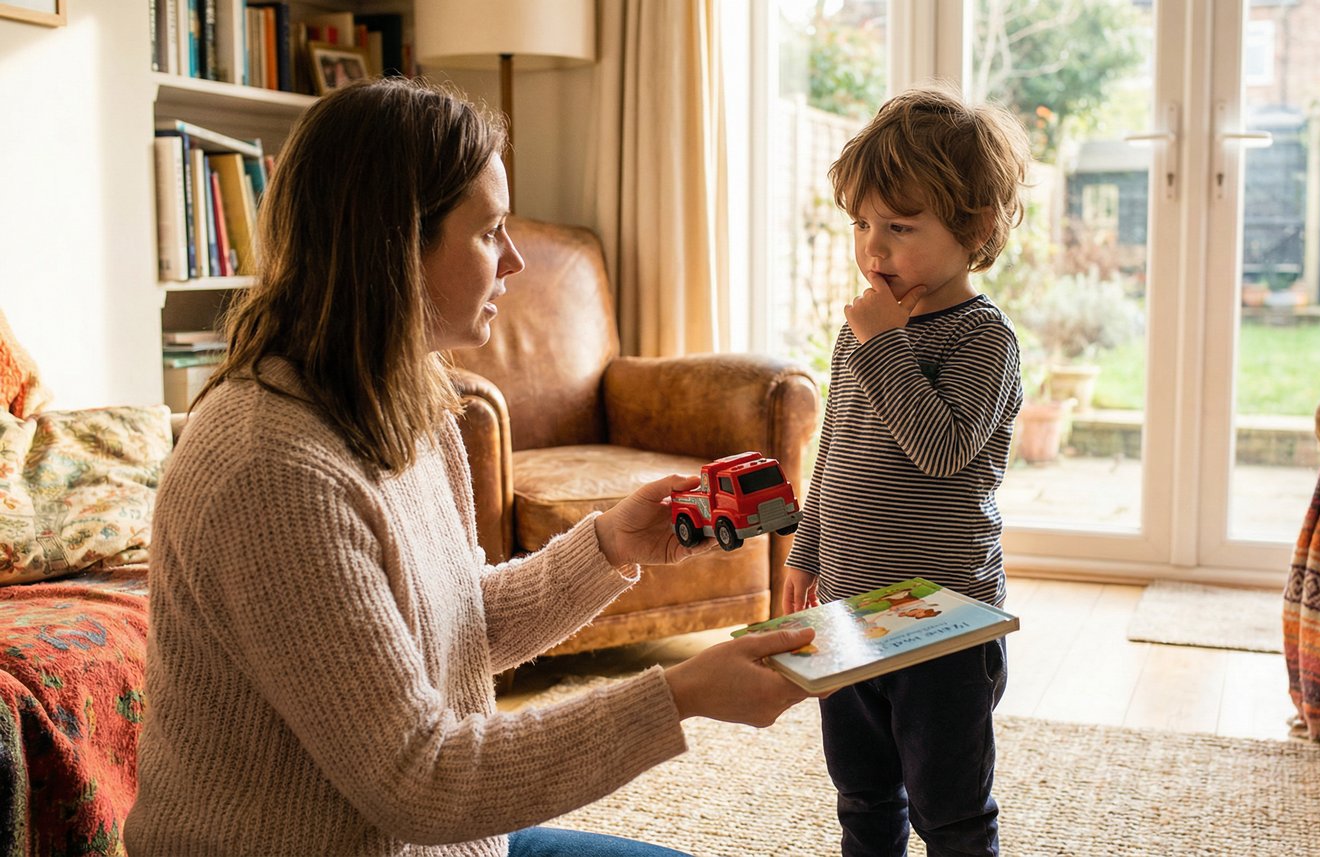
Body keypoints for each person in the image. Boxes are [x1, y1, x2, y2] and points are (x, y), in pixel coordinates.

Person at [125, 77, 815, 857]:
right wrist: (680, 692)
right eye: (490, 231)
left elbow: (457, 626)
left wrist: (610, 545)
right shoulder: (273, 470)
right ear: (392, 245)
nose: (516, 260)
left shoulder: (406, 401)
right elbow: (422, 781)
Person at [782, 85, 1032, 857]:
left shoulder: (983, 340)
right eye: (862, 223)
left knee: (951, 810)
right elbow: (836, 450)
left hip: (941, 623)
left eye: (900, 226)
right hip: (852, 610)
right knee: (862, 795)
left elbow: (943, 448)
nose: (873, 248)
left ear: (974, 228)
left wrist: (884, 343)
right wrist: (806, 549)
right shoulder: (863, 333)